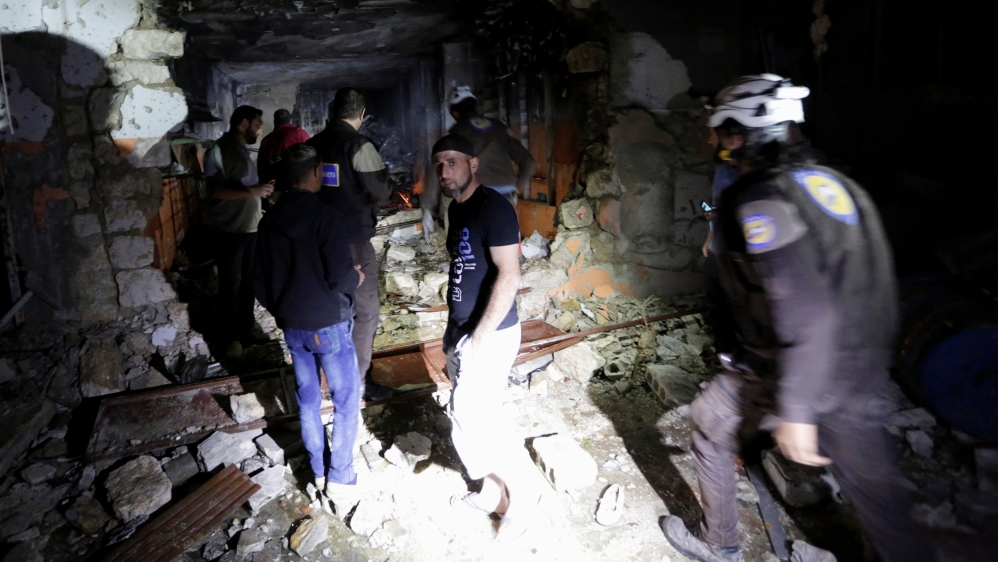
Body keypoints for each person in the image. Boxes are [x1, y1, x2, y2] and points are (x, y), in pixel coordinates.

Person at [661, 74, 936, 562]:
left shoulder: (764, 199)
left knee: (708, 425)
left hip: (794, 372)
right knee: (882, 503)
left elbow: (807, 310)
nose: (716, 142)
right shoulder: (836, 183)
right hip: (862, 375)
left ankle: (719, 544)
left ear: (744, 133)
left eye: (722, 131)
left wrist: (797, 408)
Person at [432, 133, 544, 539]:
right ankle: (491, 491)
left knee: (467, 415)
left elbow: (510, 275)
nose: (445, 171)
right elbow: (463, 268)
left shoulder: (495, 208)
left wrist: (479, 337)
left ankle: (525, 494)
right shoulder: (456, 208)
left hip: (491, 332)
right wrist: (455, 333)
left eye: (453, 162)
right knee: (481, 415)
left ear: (473, 165)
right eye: (440, 164)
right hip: (464, 330)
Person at [253, 143, 364, 495]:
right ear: (317, 173)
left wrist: (283, 311)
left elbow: (258, 281)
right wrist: (358, 278)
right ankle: (341, 476)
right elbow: (341, 278)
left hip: (293, 328)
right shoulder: (324, 216)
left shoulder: (269, 221)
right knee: (346, 400)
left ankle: (317, 471)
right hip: (328, 324)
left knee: (308, 401)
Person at [307, 88, 393, 401]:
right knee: (366, 310)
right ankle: (355, 384)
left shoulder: (312, 145)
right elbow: (380, 191)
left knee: (331, 308)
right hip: (353, 241)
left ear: (332, 112)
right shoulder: (359, 145)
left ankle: (323, 379)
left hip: (316, 240)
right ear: (361, 114)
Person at [203, 105, 274, 358]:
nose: (260, 128)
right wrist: (253, 192)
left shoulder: (242, 151)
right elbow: (215, 190)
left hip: (248, 227)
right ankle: (231, 337)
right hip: (229, 230)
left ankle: (247, 326)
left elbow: (244, 186)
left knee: (247, 282)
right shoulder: (219, 151)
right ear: (244, 123)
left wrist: (261, 195)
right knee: (230, 284)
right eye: (257, 124)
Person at [423, 85, 537, 238]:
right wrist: (516, 188)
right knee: (506, 242)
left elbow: (438, 173)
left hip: (473, 197)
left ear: (454, 113)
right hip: (505, 194)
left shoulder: (455, 133)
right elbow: (529, 163)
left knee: (468, 243)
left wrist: (427, 209)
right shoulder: (499, 128)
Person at [701, 128, 741, 357]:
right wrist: (709, 238)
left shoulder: (740, 171)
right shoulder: (720, 167)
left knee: (734, 309)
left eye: (713, 136)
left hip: (733, 255)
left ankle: (737, 361)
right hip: (717, 250)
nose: (709, 140)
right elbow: (719, 206)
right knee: (717, 308)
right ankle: (724, 359)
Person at [258, 108, 311, 189]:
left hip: (274, 186)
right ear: (290, 121)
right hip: (297, 184)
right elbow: (311, 156)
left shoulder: (266, 140)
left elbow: (261, 169)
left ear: (275, 122)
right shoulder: (299, 133)